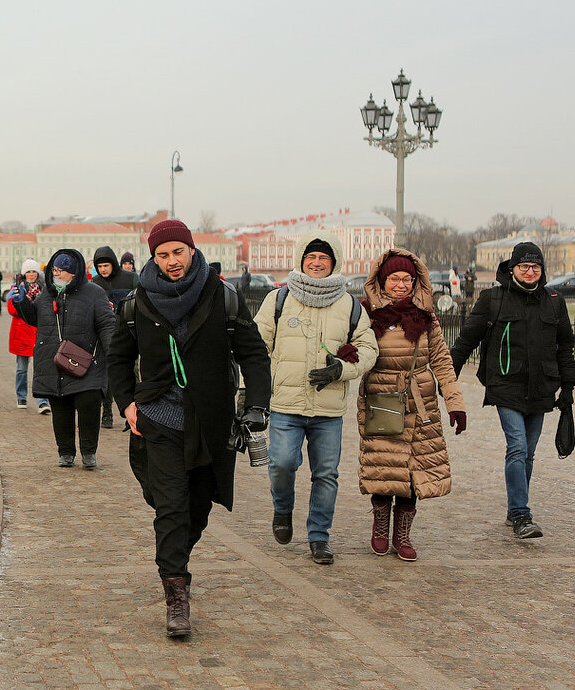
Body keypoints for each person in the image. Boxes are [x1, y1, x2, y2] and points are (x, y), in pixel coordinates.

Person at [107, 219, 271, 637]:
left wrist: (255, 405)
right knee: (171, 508)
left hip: (210, 421)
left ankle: (176, 557)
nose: (171, 261)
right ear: (153, 258)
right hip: (158, 420)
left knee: (198, 506)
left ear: (192, 251)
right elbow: (118, 358)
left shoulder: (222, 296)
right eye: (162, 255)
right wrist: (126, 402)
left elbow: (254, 354)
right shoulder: (137, 301)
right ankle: (176, 594)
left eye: (178, 252)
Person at [254, 230, 378, 565]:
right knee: (281, 464)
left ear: (334, 262)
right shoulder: (278, 300)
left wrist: (341, 369)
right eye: (311, 257)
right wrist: (246, 390)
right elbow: (255, 349)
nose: (317, 262)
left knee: (326, 474)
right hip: (285, 404)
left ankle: (319, 537)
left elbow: (369, 349)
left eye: (323, 258)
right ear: (301, 260)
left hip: (328, 408)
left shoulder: (350, 305)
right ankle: (283, 510)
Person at [449, 242, 575, 539]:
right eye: (524, 266)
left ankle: (513, 508)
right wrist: (449, 378)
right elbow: (466, 341)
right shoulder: (493, 299)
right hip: (505, 384)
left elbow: (566, 348)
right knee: (517, 446)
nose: (530, 272)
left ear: (542, 271)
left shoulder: (554, 301)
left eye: (535, 267)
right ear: (512, 268)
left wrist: (568, 389)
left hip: (542, 387)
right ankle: (521, 514)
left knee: (528, 453)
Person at [359, 249, 465, 561]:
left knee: (414, 473)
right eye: (395, 278)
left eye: (408, 279)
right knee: (384, 467)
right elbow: (355, 350)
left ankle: (402, 534)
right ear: (382, 281)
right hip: (381, 398)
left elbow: (442, 363)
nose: (402, 284)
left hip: (421, 402)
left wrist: (455, 403)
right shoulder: (366, 315)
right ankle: (380, 524)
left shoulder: (426, 317)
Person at [18, 248, 115, 469]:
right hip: (55, 363)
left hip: (87, 362)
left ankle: (89, 452)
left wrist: (113, 353)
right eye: (54, 270)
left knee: (88, 405)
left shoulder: (94, 293)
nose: (57, 274)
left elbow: (107, 324)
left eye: (61, 271)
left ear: (74, 272)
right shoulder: (47, 295)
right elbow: (36, 318)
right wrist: (22, 303)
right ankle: (66, 452)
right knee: (61, 409)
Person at [92, 246, 137, 429]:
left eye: (106, 265)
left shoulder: (130, 278)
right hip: (105, 334)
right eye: (100, 266)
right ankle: (107, 411)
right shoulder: (94, 283)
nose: (103, 269)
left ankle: (132, 413)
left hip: (130, 333)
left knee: (133, 373)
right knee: (108, 374)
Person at [7, 258, 50, 414]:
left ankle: (42, 400)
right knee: (22, 369)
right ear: (23, 274)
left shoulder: (44, 289)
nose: (31, 274)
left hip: (39, 331)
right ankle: (21, 396)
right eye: (28, 272)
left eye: (34, 271)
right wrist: (19, 300)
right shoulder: (16, 288)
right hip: (21, 332)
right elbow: (12, 310)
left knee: (41, 368)